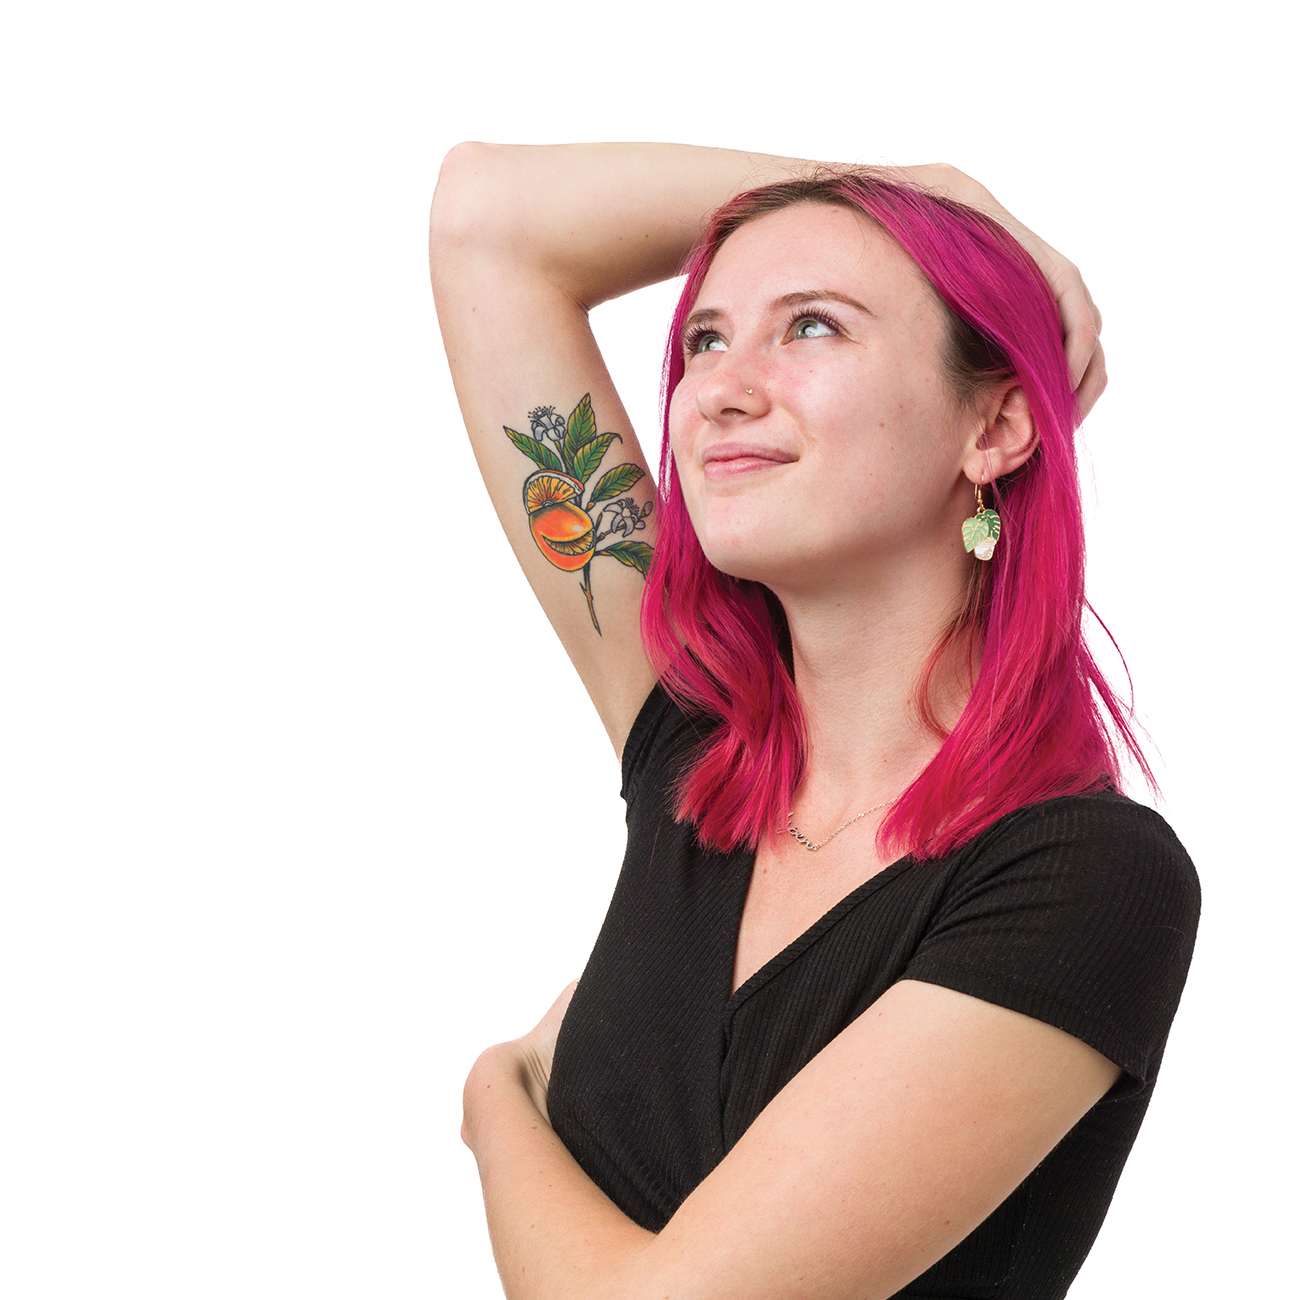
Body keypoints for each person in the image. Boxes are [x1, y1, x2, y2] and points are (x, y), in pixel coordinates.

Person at [429, 143, 1199, 1300]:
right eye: (705, 337)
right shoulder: (688, 745)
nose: (725, 388)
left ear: (993, 428)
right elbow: (485, 224)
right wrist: (907, 186)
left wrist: (494, 1097)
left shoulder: (1083, 881)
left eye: (813, 328)